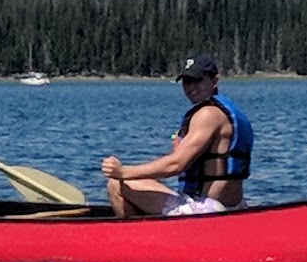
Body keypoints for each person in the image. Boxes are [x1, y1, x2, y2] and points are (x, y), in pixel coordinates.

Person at [100, 53, 253, 217]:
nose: (191, 87)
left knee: (116, 184)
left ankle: (136, 240)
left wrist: (123, 172)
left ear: (215, 81)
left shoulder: (208, 114)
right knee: (139, 181)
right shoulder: (225, 111)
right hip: (233, 206)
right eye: (187, 81)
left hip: (206, 210)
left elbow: (176, 164)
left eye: (198, 80)